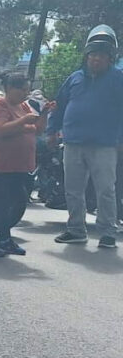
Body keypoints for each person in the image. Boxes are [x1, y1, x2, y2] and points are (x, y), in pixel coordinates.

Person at [47, 24, 123, 248]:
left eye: (101, 56)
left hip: (105, 145)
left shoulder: (118, 79)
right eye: (92, 55)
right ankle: (76, 229)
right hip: (72, 143)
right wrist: (52, 131)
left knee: (106, 190)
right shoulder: (75, 78)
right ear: (86, 56)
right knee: (73, 189)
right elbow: (59, 105)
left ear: (110, 58)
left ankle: (108, 232)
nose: (96, 60)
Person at [0, 72, 54, 257]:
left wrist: (44, 113)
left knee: (15, 202)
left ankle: (5, 239)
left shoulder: (23, 106)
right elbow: (0, 130)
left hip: (19, 166)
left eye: (27, 90)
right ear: (10, 89)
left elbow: (38, 129)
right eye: (22, 90)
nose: (25, 94)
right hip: (1, 165)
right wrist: (23, 121)